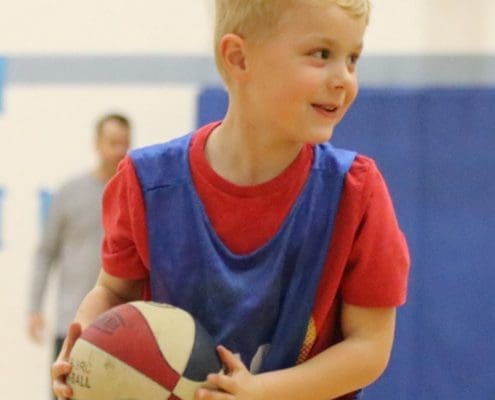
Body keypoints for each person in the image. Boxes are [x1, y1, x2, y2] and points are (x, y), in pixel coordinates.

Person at [52, 1, 410, 399]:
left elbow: (369, 348)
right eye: (321, 54)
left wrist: (259, 392)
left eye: (353, 58)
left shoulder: (355, 192)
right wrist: (85, 352)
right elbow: (115, 292)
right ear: (239, 58)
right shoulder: (148, 183)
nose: (343, 78)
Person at [27, 113, 131, 396]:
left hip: (121, 328)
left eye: (124, 143)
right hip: (72, 324)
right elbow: (46, 252)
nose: (119, 151)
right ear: (96, 144)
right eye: (112, 143)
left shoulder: (136, 193)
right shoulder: (69, 193)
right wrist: (34, 307)